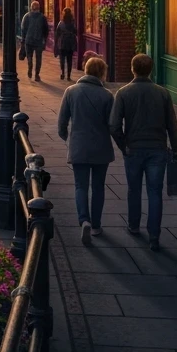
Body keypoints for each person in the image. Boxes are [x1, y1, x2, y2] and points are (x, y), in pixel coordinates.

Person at [110, 54, 177, 250]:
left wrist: (123, 145)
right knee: (155, 192)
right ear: (151, 69)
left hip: (133, 148)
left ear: (133, 68)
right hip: (158, 149)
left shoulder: (123, 93)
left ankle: (133, 225)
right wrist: (175, 148)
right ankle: (154, 235)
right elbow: (172, 125)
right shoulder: (163, 93)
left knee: (134, 190)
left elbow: (114, 125)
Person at [58, 56, 115, 245]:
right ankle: (97, 225)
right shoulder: (107, 96)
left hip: (79, 146)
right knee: (98, 187)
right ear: (101, 73)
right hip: (101, 148)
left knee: (80, 186)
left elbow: (61, 124)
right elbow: (113, 125)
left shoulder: (71, 91)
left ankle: (84, 221)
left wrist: (70, 139)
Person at [20, 0, 49, 81]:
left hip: (28, 40)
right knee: (38, 58)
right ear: (39, 8)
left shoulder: (27, 16)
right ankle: (37, 74)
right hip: (39, 40)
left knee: (29, 56)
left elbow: (23, 29)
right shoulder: (42, 17)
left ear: (31, 7)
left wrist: (23, 38)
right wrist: (44, 39)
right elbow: (46, 30)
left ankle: (30, 68)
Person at [55, 8, 78, 81]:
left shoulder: (61, 23)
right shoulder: (73, 23)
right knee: (69, 59)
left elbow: (57, 33)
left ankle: (62, 73)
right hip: (70, 42)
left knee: (62, 59)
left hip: (63, 42)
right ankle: (68, 75)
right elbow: (76, 32)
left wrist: (56, 43)